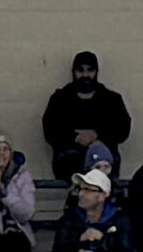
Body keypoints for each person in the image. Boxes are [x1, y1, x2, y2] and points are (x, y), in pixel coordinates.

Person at [42, 52, 133, 182]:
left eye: (90, 70)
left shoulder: (111, 99)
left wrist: (98, 137)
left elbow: (123, 129)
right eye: (80, 70)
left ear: (96, 72)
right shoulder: (60, 99)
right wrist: (75, 138)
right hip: (69, 157)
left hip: (103, 155)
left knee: (103, 162)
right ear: (74, 71)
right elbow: (50, 130)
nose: (85, 75)